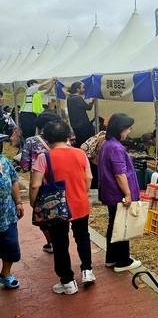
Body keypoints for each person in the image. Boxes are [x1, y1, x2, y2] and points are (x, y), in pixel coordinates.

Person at [29, 120, 94, 295]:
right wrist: (81, 192)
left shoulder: (45, 157)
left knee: (60, 243)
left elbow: (35, 185)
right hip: (80, 203)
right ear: (68, 136)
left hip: (57, 207)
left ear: (47, 138)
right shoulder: (80, 153)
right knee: (83, 236)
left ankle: (67, 281)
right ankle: (87, 271)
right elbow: (88, 178)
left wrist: (33, 202)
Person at [97, 113, 142, 272]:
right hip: (118, 194)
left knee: (114, 225)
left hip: (111, 193)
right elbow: (119, 174)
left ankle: (112, 258)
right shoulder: (115, 147)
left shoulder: (107, 144)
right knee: (123, 226)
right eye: (128, 129)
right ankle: (123, 261)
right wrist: (128, 194)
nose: (129, 132)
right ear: (120, 129)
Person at [19, 111, 62, 253]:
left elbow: (24, 166)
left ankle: (51, 242)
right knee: (61, 212)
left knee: (41, 216)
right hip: (61, 184)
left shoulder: (31, 141)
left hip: (41, 186)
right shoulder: (63, 140)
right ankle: (60, 241)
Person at [0, 153, 24, 289]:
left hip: (7, 212)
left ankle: (5, 273)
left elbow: (14, 180)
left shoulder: (4, 160)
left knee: (10, 243)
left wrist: (19, 202)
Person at [66, 81, 95, 147]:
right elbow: (88, 107)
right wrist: (91, 101)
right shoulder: (77, 98)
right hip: (83, 125)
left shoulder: (69, 98)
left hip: (75, 125)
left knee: (79, 142)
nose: (84, 89)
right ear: (78, 89)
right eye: (82, 88)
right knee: (86, 143)